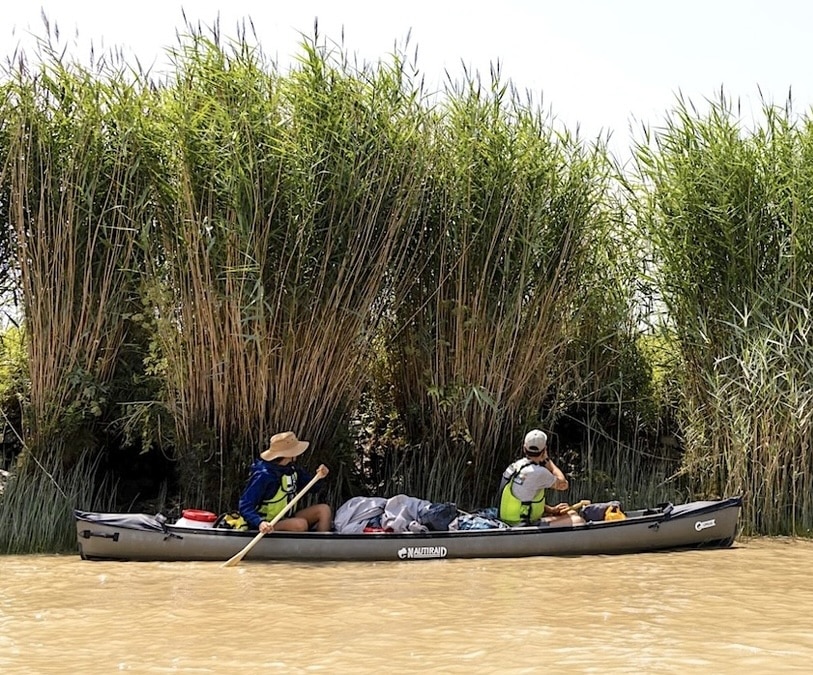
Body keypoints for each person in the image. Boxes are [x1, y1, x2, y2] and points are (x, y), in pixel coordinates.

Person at [238, 431, 332, 533]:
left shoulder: (292, 469)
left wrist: (320, 476)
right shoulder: (264, 475)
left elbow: (314, 488)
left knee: (324, 510)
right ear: (288, 454)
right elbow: (245, 505)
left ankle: (322, 546)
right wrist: (260, 522)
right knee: (301, 524)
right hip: (267, 524)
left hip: (287, 517)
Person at [497, 429, 582, 527]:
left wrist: (551, 510)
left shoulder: (516, 466)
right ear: (544, 450)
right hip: (520, 524)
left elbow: (523, 499)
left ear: (524, 448)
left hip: (508, 520)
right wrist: (547, 460)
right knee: (578, 520)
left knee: (570, 514)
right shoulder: (539, 472)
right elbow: (563, 484)